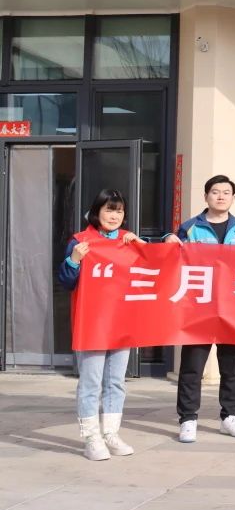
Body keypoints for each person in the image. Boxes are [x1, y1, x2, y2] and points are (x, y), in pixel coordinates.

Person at [166, 175, 235, 444]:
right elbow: (172, 251)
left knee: (232, 365)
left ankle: (230, 416)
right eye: (215, 192)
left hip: (232, 305)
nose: (221, 196)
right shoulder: (190, 227)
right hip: (199, 306)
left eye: (226, 192)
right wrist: (167, 238)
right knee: (192, 365)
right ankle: (188, 419)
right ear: (206, 196)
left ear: (233, 198)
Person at [60, 189, 141, 461]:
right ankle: (91, 438)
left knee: (116, 382)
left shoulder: (128, 240)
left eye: (119, 211)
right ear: (97, 212)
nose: (114, 216)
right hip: (92, 324)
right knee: (91, 382)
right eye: (109, 210)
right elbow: (66, 282)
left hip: (121, 323)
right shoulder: (80, 242)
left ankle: (111, 434)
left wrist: (141, 246)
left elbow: (153, 270)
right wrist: (74, 260)